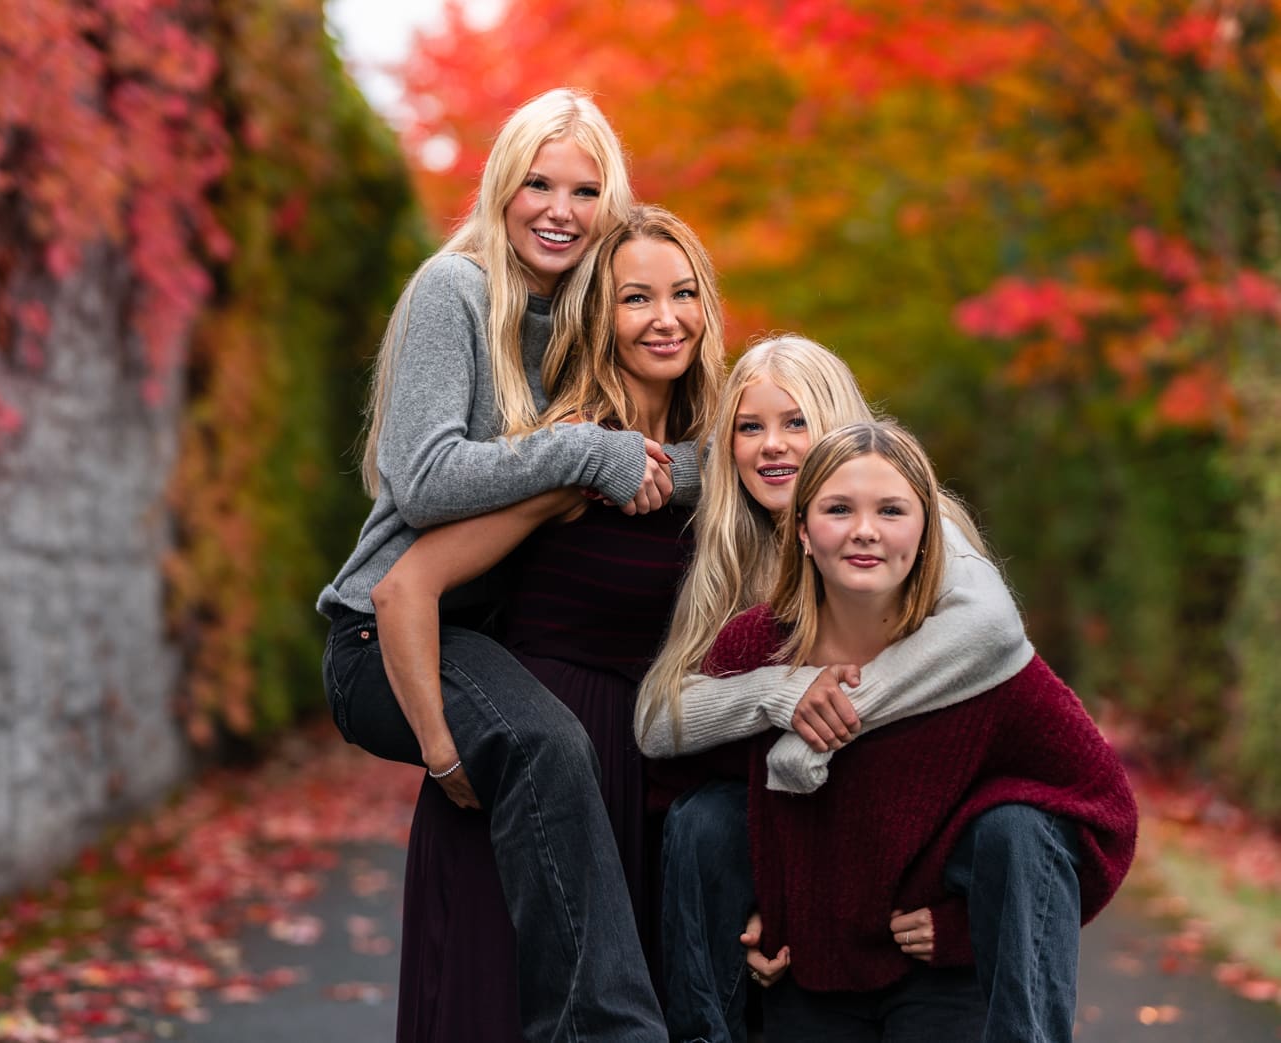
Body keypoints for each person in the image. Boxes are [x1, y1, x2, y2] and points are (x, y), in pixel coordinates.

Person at [317, 90, 701, 1042]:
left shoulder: (578, 312)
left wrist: (681, 463)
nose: (559, 209)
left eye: (584, 188)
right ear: (503, 183)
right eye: (539, 181)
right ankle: (610, 1026)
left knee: (549, 749)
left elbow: (662, 453)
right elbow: (424, 477)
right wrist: (581, 455)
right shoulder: (457, 290)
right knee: (547, 741)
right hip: (381, 636)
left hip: (473, 640)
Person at [633, 336, 1038, 1042]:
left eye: (796, 422)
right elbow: (658, 720)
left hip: (908, 818)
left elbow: (993, 627)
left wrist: (839, 703)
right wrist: (780, 692)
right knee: (702, 821)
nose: (772, 446)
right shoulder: (728, 549)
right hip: (796, 828)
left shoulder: (906, 519)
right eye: (750, 427)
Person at [692, 421, 1138, 1041]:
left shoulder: (977, 665)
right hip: (807, 970)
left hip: (940, 977)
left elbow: (1103, 815)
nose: (865, 530)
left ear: (928, 531)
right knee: (700, 816)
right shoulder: (758, 644)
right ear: (801, 529)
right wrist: (749, 905)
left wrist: (966, 927)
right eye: (838, 509)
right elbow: (689, 794)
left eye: (892, 510)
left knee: (1021, 825)